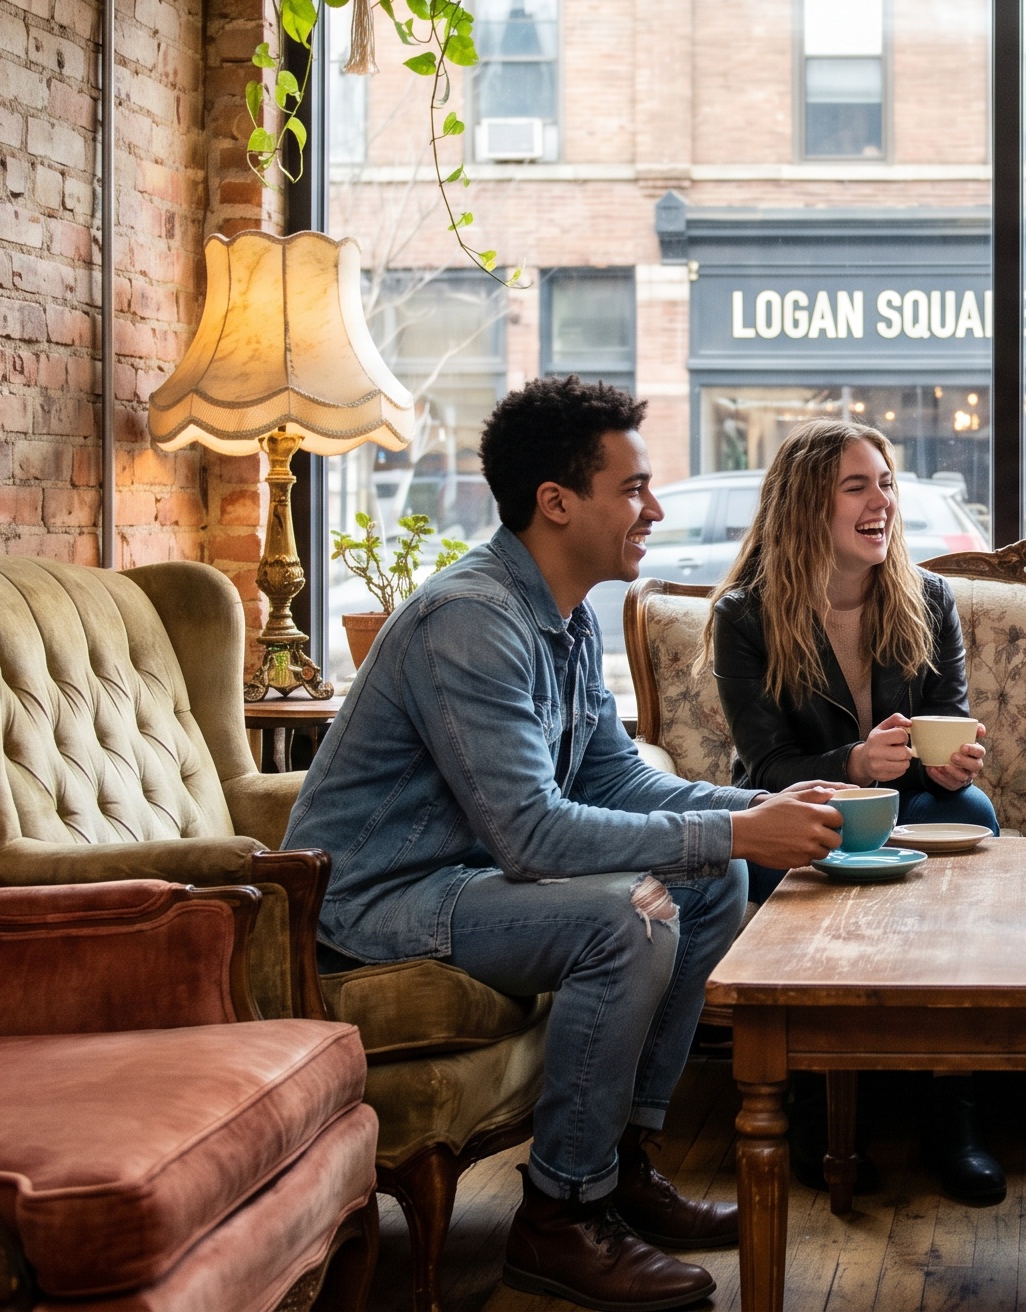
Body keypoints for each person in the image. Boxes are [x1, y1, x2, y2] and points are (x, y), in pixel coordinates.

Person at [286, 377, 848, 1312]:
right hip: (377, 901)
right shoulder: (469, 620)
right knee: (626, 920)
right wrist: (736, 830)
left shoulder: (567, 618)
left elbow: (613, 780)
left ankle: (620, 1166)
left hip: (468, 880)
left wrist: (758, 809)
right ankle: (559, 1216)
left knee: (709, 883)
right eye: (633, 489)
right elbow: (532, 832)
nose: (654, 510)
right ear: (556, 502)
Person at [706, 420, 1005, 1205]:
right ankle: (816, 1113)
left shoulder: (929, 598)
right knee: (793, 858)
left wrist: (950, 761)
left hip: (908, 800)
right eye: (857, 487)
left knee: (973, 809)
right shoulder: (745, 616)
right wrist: (853, 764)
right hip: (803, 808)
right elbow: (766, 767)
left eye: (887, 484)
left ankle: (955, 1115)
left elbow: (950, 722)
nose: (883, 503)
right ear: (808, 505)